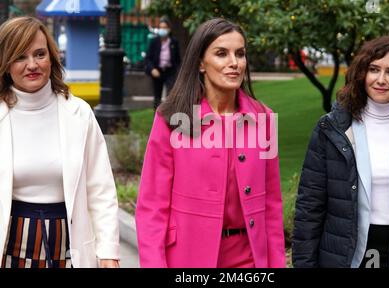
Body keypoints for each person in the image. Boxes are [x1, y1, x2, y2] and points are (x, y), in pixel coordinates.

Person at [136, 18, 285, 268]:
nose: (234, 63)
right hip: (187, 258)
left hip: (248, 259)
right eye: (221, 54)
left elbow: (272, 206)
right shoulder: (171, 120)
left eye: (240, 54)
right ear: (201, 63)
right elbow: (152, 207)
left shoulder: (264, 120)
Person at [292, 36, 389, 268]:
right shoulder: (331, 128)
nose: (381, 80)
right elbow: (309, 207)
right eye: (374, 69)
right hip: (344, 254)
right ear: (362, 73)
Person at [0, 17, 120, 268]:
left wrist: (108, 253)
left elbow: (101, 190)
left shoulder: (79, 113)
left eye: (40, 54)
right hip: (9, 246)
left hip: (68, 247)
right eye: (20, 57)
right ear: (5, 63)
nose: (32, 64)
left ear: (52, 57)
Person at [144, 17, 181, 110]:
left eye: (164, 27)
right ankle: (156, 118)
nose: (162, 30)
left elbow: (177, 59)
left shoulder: (174, 42)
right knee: (157, 96)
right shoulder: (154, 42)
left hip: (170, 72)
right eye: (160, 27)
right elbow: (148, 58)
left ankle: (169, 117)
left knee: (171, 95)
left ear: (169, 29)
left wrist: (177, 72)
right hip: (157, 71)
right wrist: (152, 69)